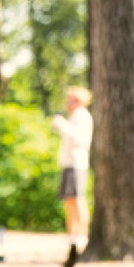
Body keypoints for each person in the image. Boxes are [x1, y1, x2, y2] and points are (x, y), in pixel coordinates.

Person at [52, 86, 93, 250]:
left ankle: (83, 235)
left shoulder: (82, 116)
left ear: (78, 100)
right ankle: (72, 235)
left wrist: (61, 124)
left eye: (70, 99)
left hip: (77, 163)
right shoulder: (74, 116)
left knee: (78, 199)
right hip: (68, 163)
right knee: (69, 201)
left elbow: (79, 139)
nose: (67, 103)